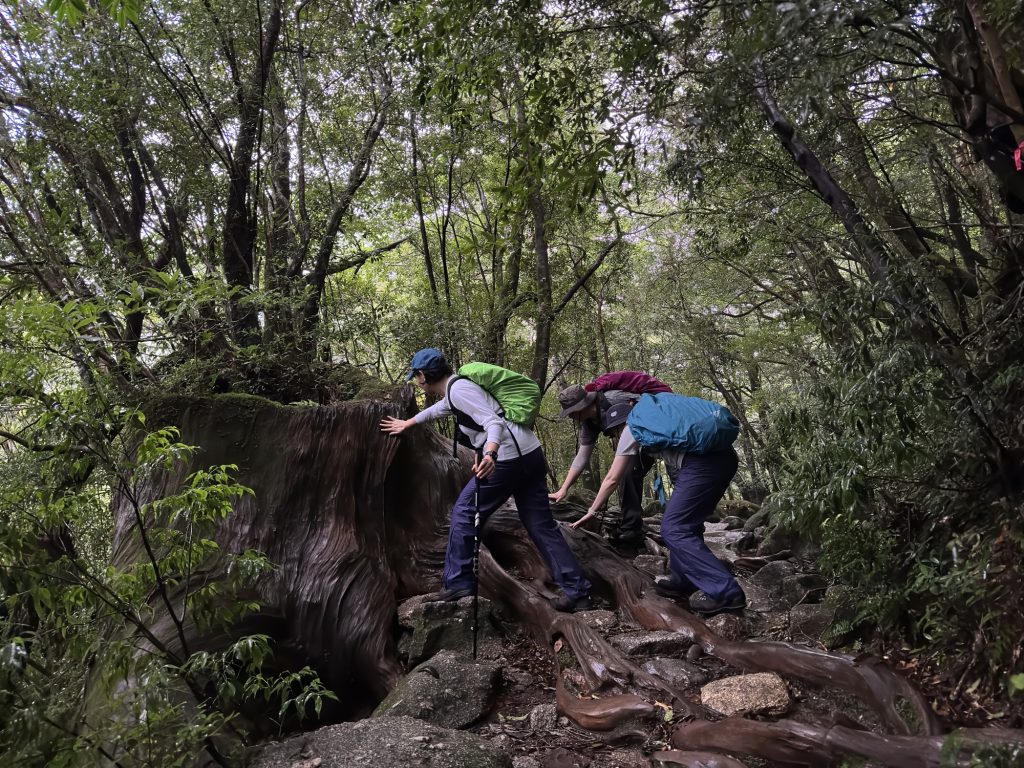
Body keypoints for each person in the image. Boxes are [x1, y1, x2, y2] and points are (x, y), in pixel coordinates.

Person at [380, 348, 592, 613]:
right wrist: (408, 422)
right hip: (530, 454)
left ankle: (458, 582)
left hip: (506, 459)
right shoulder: (456, 390)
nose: (417, 381)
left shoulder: (459, 390)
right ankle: (577, 591)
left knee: (465, 512)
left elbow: (493, 422)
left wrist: (489, 453)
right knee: (541, 525)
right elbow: (438, 410)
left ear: (423, 376)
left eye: (417, 377)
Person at [569, 404, 745, 617]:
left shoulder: (630, 430)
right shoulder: (653, 420)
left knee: (674, 529)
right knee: (688, 524)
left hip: (702, 464)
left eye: (612, 433)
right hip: (724, 458)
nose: (614, 438)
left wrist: (592, 510)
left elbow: (612, 478)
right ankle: (684, 579)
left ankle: (726, 592)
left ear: (617, 427)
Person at [550, 384, 654, 548]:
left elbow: (648, 410)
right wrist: (563, 489)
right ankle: (629, 524)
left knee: (627, 473)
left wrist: (592, 511)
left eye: (571, 413)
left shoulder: (614, 399)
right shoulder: (588, 423)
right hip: (631, 443)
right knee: (624, 475)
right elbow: (582, 457)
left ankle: (632, 530)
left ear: (581, 406)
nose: (571, 417)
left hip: (651, 434)